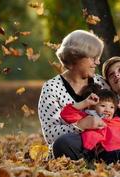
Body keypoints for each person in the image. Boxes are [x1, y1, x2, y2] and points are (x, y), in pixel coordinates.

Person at [38, 30, 110, 160]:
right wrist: (81, 125)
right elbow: (50, 135)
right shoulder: (52, 88)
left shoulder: (101, 83)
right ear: (75, 57)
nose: (98, 62)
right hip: (72, 147)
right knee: (62, 143)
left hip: (103, 143)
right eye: (93, 58)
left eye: (98, 58)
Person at [60, 87, 120, 164]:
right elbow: (66, 113)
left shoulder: (117, 122)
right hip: (103, 153)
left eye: (112, 107)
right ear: (94, 107)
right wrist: (85, 102)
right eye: (103, 106)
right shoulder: (89, 119)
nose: (107, 110)